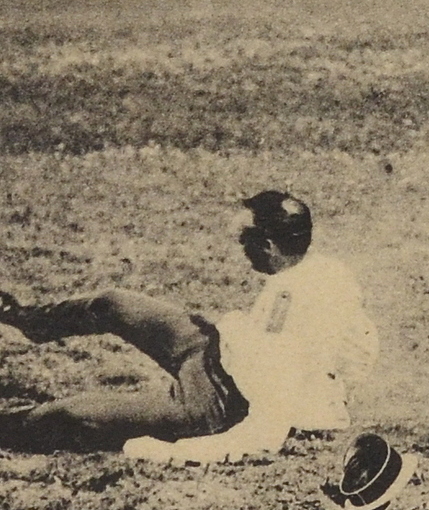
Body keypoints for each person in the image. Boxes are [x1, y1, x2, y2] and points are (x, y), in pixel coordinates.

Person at [0, 190, 378, 462]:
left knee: (72, 414)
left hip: (215, 402)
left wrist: (168, 451)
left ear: (267, 244)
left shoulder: (292, 317)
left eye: (245, 240)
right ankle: (30, 321)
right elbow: (361, 345)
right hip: (212, 349)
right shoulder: (323, 272)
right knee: (113, 304)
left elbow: (265, 426)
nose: (241, 249)